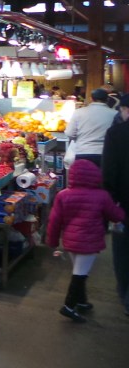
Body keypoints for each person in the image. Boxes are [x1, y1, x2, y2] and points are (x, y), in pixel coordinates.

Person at [47, 159, 125, 322]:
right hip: (89, 242)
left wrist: (53, 242)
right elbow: (115, 215)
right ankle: (68, 306)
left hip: (70, 241)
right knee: (80, 274)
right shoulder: (102, 196)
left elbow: (54, 221)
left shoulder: (63, 195)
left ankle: (81, 301)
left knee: (79, 271)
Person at [102, 94, 129, 316]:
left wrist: (110, 204)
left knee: (123, 251)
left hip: (124, 203)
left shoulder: (116, 134)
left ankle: (126, 295)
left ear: (126, 110)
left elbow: (108, 173)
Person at [65, 88, 117, 167]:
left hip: (83, 153)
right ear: (107, 99)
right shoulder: (115, 114)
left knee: (84, 179)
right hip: (106, 154)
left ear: (91, 99)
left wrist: (80, 138)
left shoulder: (79, 112)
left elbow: (69, 133)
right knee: (104, 179)